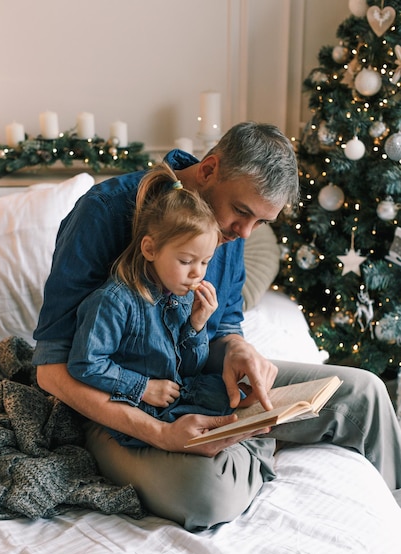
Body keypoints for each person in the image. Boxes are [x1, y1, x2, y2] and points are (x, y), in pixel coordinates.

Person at [34, 122, 401, 531]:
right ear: (208, 170)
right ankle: (256, 437)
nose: (244, 232)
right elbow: (51, 369)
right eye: (242, 212)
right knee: (207, 496)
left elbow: (225, 323)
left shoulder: (230, 231)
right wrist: (160, 434)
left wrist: (237, 349)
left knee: (365, 394)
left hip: (193, 380)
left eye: (262, 222)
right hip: (115, 402)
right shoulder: (104, 211)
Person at [67, 162, 262, 447]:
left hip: (173, 396)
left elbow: (188, 370)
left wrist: (196, 326)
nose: (197, 273)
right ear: (150, 249)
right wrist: (142, 387)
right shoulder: (113, 302)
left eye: (205, 262)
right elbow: (86, 364)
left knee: (239, 403)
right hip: (137, 407)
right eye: (186, 261)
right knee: (227, 431)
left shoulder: (180, 296)